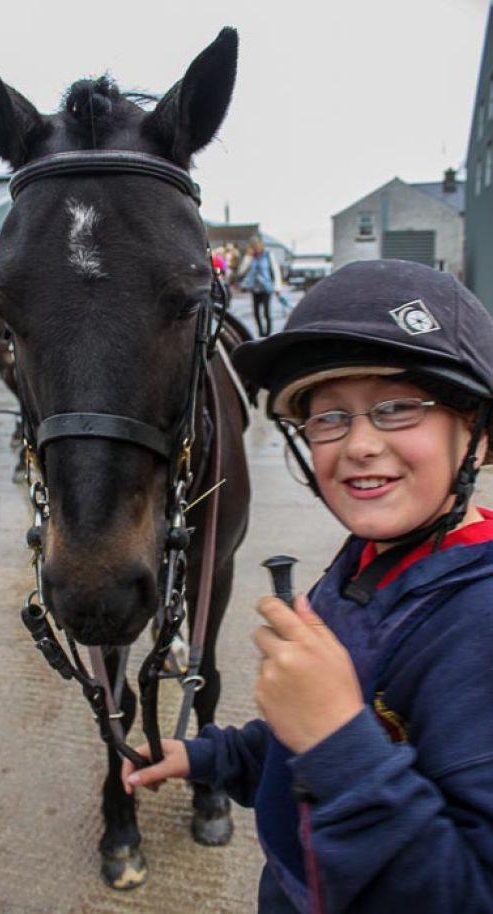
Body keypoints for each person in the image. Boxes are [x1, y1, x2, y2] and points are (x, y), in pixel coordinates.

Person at [122, 259, 493, 913]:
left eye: (398, 408)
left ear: (481, 434)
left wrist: (336, 739)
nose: (360, 444)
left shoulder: (479, 628)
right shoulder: (362, 568)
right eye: (328, 418)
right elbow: (304, 736)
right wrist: (210, 758)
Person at [238, 235, 282, 336]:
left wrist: (277, 287)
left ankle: (268, 334)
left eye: (254, 246)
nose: (253, 248)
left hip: (266, 288)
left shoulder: (268, 255)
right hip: (255, 289)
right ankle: (261, 333)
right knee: (256, 313)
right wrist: (247, 257)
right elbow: (241, 272)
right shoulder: (251, 257)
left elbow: (275, 271)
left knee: (266, 313)